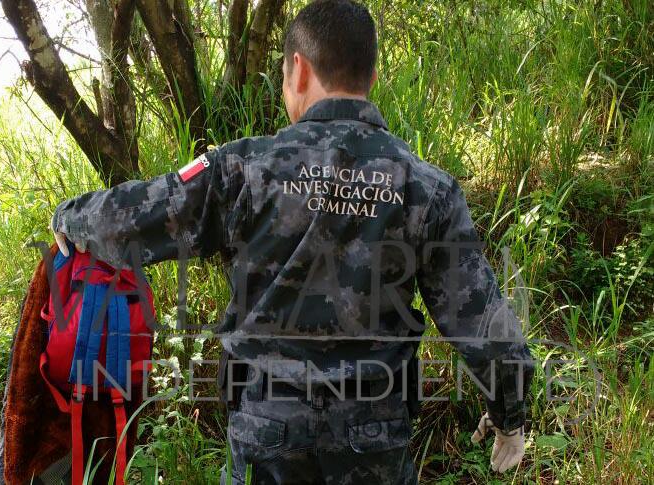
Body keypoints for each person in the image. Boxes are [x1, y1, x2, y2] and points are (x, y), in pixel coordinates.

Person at [51, 1, 534, 483]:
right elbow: (482, 323)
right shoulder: (425, 187)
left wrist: (71, 218)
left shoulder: (243, 169)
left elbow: (141, 214)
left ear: (297, 70)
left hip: (268, 430)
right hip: (373, 435)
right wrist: (510, 415)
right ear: (372, 74)